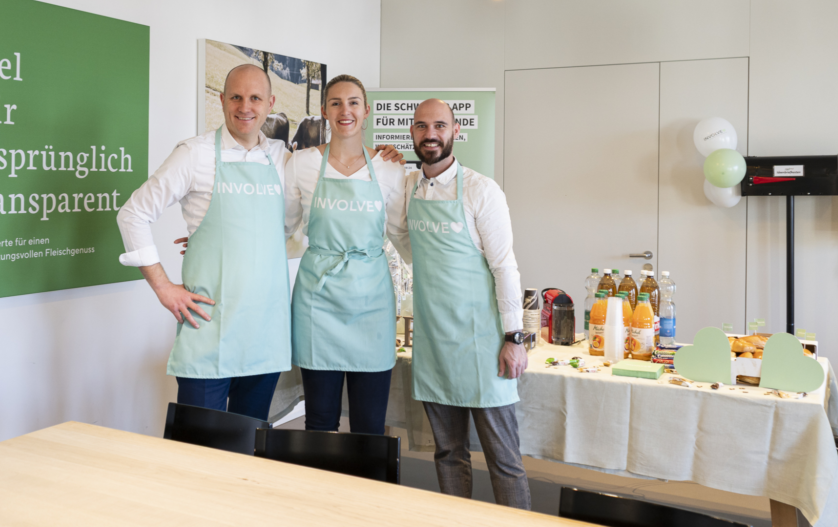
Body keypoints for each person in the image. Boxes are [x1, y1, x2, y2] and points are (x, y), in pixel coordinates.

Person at [116, 64, 291, 420]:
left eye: (255, 98)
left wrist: (385, 154)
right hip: (208, 328)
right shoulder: (194, 154)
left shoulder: (282, 158)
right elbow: (132, 214)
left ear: (270, 103)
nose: (245, 107)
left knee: (252, 454)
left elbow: (288, 220)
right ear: (222, 99)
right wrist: (163, 286)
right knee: (197, 455)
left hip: (264, 332)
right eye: (237, 97)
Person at [399, 98, 531, 510]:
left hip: (484, 347)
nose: (430, 134)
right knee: (448, 454)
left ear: (455, 131)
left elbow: (505, 267)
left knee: (504, 461)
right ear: (413, 134)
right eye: (422, 126)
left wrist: (514, 336)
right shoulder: (407, 187)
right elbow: (405, 248)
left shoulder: (480, 189)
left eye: (439, 125)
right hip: (435, 344)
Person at [284, 75, 408, 435]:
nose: (345, 110)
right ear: (324, 111)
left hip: (372, 302)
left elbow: (402, 234)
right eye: (336, 103)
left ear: (366, 111)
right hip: (317, 302)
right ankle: (320, 493)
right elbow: (280, 226)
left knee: (369, 425)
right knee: (319, 422)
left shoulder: (389, 167)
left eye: (353, 102)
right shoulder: (302, 163)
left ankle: (367, 493)